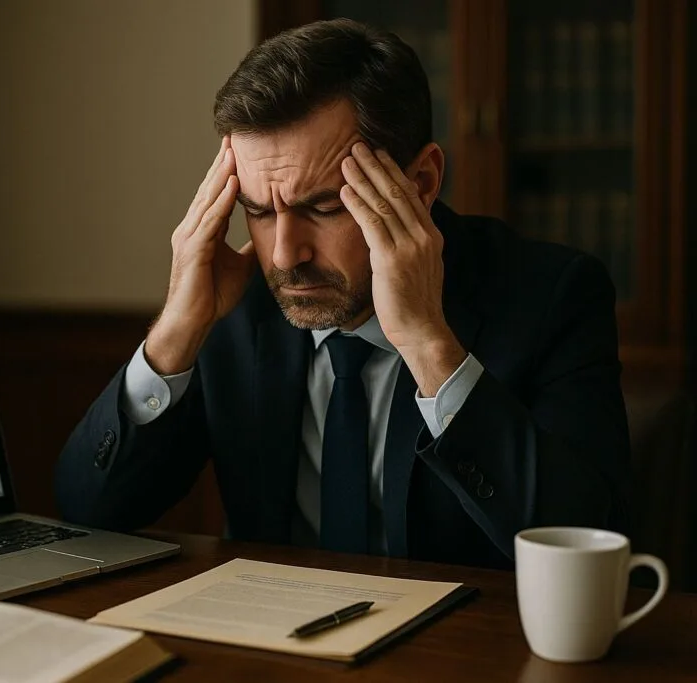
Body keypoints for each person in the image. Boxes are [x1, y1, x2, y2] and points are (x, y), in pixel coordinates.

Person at [55, 19, 630, 569]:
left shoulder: (552, 295)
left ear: (421, 183)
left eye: (325, 207)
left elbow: (581, 537)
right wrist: (176, 333)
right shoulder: (235, 301)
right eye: (258, 211)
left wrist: (429, 344)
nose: (285, 255)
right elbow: (86, 510)